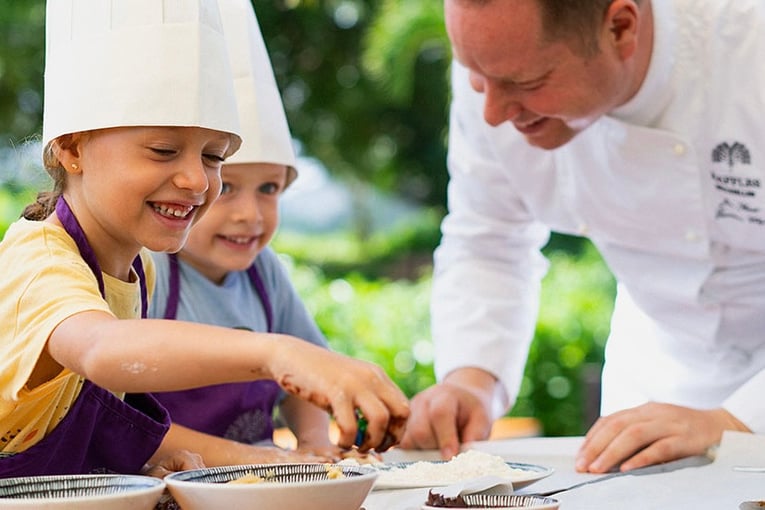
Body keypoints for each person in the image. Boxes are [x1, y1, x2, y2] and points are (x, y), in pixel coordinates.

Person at [0, 0, 408, 478]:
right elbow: (103, 350)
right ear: (72, 148)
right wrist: (277, 353)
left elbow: (97, 428)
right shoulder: (37, 260)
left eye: (214, 157)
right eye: (164, 150)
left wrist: (155, 460)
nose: (197, 180)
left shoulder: (138, 267)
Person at [400, 0, 763, 474]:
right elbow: (488, 240)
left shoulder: (750, 47)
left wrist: (738, 419)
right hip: (657, 382)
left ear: (620, 27)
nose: (492, 113)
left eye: (527, 84)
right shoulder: (500, 63)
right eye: (474, 75)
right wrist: (472, 380)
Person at [148, 0, 345, 463]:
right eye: (229, 186)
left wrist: (315, 441)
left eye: (269, 188)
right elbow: (124, 423)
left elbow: (307, 377)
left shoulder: (264, 273)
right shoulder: (150, 270)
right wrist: (262, 460)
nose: (249, 215)